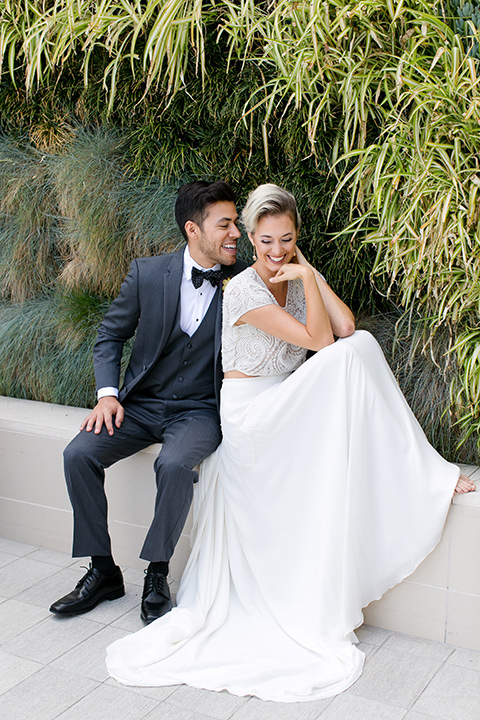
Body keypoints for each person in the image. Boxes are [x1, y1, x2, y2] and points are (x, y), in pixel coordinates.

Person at [105, 184, 475, 701]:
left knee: (360, 345)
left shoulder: (298, 273)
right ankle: (425, 470)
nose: (276, 251)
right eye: (264, 241)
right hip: (253, 414)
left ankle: (421, 470)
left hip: (288, 402)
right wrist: (303, 275)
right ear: (251, 240)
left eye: (287, 240)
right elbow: (323, 343)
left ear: (297, 237)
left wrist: (310, 274)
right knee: (351, 355)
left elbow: (345, 325)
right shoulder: (243, 290)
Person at [50, 180, 246, 623]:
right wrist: (107, 395)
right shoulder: (148, 272)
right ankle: (102, 570)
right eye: (226, 224)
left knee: (174, 465)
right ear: (193, 230)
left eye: (237, 224)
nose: (237, 233)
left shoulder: (242, 282)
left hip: (198, 410)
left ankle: (157, 572)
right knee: (78, 454)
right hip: (138, 406)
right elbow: (110, 335)